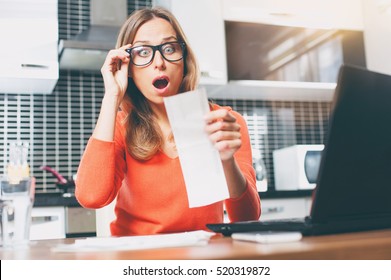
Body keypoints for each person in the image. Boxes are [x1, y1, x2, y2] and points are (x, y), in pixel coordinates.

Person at [75, 7, 261, 236]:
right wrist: (112, 96)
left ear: (184, 60)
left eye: (169, 48)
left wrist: (225, 160)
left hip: (201, 262)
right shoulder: (121, 126)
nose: (159, 62)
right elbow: (90, 197)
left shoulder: (223, 123)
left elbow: (248, 218)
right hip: (137, 262)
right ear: (128, 67)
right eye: (143, 52)